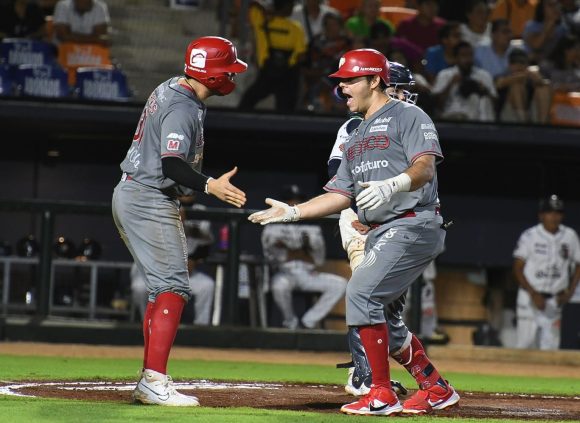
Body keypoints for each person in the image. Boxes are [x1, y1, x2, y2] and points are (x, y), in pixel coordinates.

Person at [249, 48, 459, 416]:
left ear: (375, 80)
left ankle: (379, 391)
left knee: (361, 293)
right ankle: (435, 387)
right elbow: (339, 194)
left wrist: (394, 184)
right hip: (381, 228)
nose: (342, 87)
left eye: (349, 80)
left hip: (413, 221)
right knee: (386, 321)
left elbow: (425, 167)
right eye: (341, 81)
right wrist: (295, 212)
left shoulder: (408, 113)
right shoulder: (356, 132)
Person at [112, 36, 248, 407]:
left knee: (162, 288)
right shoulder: (183, 106)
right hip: (146, 195)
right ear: (214, 74)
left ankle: (150, 378)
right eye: (228, 70)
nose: (232, 76)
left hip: (137, 190)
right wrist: (210, 185)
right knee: (173, 285)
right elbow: (172, 163)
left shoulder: (173, 85)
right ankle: (154, 379)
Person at [261, 184, 347, 329]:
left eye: (298, 200)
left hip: (309, 274)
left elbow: (318, 259)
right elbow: (269, 256)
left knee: (340, 284)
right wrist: (301, 251)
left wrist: (290, 251)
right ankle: (290, 323)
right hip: (284, 273)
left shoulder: (313, 227)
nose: (294, 204)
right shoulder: (272, 225)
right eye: (290, 200)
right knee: (278, 285)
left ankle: (309, 321)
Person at [513, 194, 580, 350]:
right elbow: (517, 268)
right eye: (550, 212)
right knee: (525, 345)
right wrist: (533, 294)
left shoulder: (570, 236)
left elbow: (578, 264)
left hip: (554, 300)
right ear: (541, 215)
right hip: (529, 299)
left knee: (550, 348)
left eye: (558, 212)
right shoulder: (530, 236)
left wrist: (570, 292)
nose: (554, 216)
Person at [238, 0, 306, 113]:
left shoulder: (263, 21)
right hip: (288, 74)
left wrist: (268, 11)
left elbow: (253, 4)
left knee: (246, 103)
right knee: (286, 112)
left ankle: (237, 126)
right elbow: (300, 54)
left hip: (267, 71)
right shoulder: (296, 28)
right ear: (287, 7)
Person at [431, 41, 497, 121]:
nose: (468, 59)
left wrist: (484, 90)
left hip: (479, 120)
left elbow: (495, 104)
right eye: (464, 55)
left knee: (481, 98)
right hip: (452, 118)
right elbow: (437, 104)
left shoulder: (484, 75)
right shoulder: (445, 75)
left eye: (470, 55)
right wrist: (450, 84)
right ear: (455, 58)